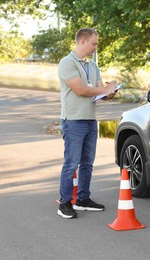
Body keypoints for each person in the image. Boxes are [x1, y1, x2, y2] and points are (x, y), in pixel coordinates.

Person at [57, 27, 117, 219]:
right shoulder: (67, 63)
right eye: (94, 43)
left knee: (87, 164)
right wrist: (103, 89)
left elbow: (99, 91)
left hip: (91, 120)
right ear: (82, 41)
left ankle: (83, 199)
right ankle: (65, 203)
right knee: (71, 164)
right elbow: (81, 90)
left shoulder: (93, 66)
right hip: (73, 121)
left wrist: (110, 92)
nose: (96, 47)